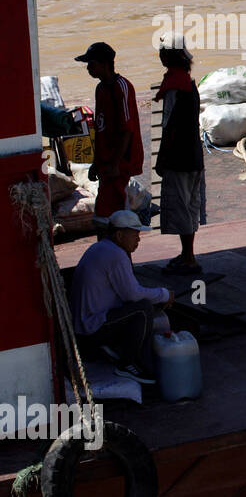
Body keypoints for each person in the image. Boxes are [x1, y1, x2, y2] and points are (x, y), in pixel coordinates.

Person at [71, 209, 174, 383]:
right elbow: (132, 294)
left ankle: (118, 350)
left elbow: (126, 292)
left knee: (143, 304)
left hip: (86, 324)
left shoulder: (102, 247)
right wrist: (163, 295)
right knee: (142, 310)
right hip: (91, 329)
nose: (138, 240)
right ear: (119, 235)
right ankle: (128, 363)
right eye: (134, 235)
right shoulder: (115, 254)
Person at [74, 42, 143, 226]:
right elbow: (101, 129)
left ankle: (116, 251)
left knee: (109, 216)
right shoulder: (101, 89)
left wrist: (114, 164)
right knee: (110, 213)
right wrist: (97, 162)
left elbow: (127, 130)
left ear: (105, 64)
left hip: (119, 163)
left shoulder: (122, 87)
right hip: (107, 162)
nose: (88, 68)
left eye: (91, 63)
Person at [154, 33, 207, 274]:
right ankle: (188, 254)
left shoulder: (175, 85)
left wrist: (161, 159)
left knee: (182, 205)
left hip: (180, 157)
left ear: (168, 56)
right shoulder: (188, 82)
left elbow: (169, 126)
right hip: (194, 154)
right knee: (190, 204)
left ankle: (188, 258)